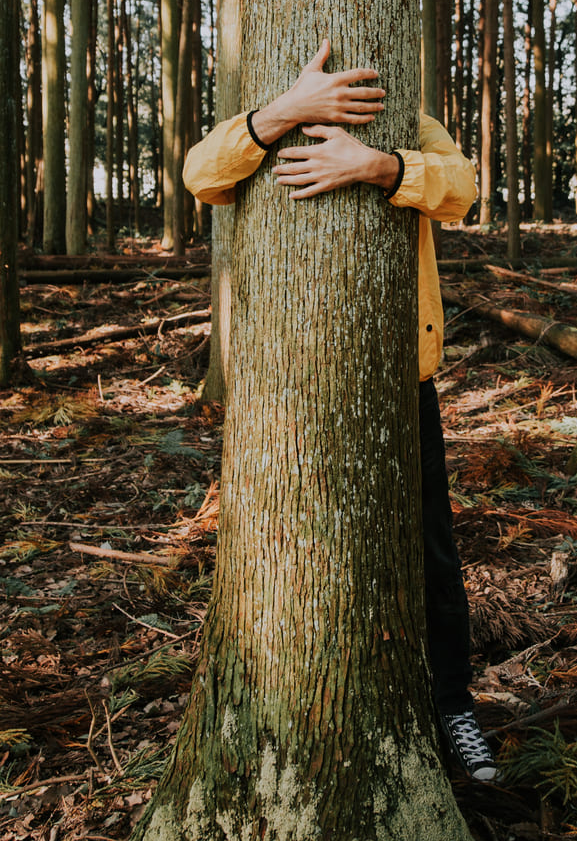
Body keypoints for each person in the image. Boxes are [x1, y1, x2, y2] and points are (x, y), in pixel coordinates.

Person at [183, 38, 496, 782]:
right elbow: (201, 174)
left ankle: (452, 706)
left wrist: (379, 166)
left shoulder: (407, 124)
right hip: (286, 387)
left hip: (397, 378)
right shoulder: (267, 120)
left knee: (431, 551)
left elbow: (463, 188)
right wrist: (287, 110)